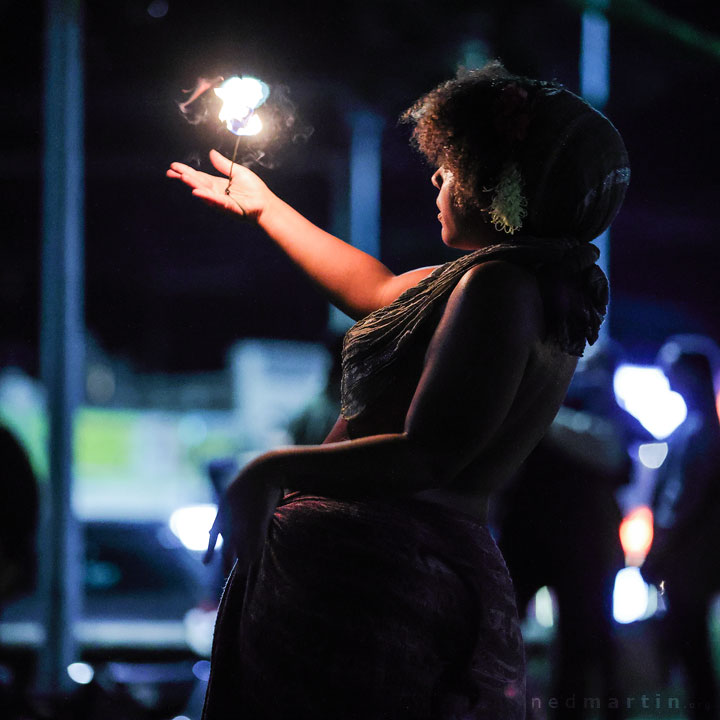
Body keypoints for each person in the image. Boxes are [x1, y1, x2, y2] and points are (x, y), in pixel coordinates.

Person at [167, 61, 630, 719]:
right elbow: (378, 293)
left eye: (455, 163)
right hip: (391, 567)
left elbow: (426, 455)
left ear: (502, 185)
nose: (438, 176)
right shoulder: (502, 280)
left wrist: (268, 468)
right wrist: (266, 207)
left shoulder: (499, 287)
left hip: (382, 580)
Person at [642, 335, 720, 719]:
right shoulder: (696, 428)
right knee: (692, 648)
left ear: (690, 374)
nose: (667, 378)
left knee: (693, 649)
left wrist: (659, 551)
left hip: (690, 561)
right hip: (691, 560)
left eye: (672, 371)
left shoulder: (700, 431)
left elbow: (682, 505)